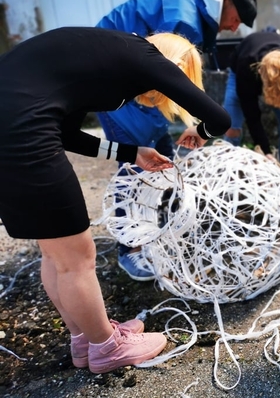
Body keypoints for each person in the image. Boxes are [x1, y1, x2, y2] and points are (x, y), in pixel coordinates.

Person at [0, 27, 231, 373]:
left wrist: (131, 152)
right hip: (21, 134)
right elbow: (220, 119)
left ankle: (87, 339)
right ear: (178, 65)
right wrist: (200, 132)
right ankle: (107, 348)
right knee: (78, 258)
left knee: (57, 254)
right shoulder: (147, 57)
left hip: (10, 125)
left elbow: (66, 134)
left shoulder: (110, 54)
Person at [95, 0, 257, 280]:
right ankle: (130, 248)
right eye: (237, 18)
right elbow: (170, 84)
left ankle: (165, 225)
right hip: (112, 84)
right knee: (136, 166)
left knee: (162, 155)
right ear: (225, 0)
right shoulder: (182, 21)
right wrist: (200, 125)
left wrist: (191, 125)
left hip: (131, 83)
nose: (235, 27)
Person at [223, 30, 280, 174]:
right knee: (231, 127)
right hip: (240, 69)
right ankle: (229, 170)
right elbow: (252, 115)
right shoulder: (247, 68)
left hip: (269, 71)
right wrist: (265, 150)